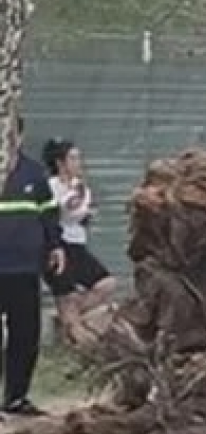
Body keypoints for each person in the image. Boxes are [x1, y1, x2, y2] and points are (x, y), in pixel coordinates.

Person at [0, 146, 63, 418]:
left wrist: (55, 245)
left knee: (25, 334)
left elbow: (48, 212)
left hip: (24, 268)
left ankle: (16, 397)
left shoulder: (33, 172)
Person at [39, 139, 114, 345]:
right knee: (66, 295)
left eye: (78, 158)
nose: (78, 162)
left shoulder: (81, 187)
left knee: (105, 283)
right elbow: (55, 212)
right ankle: (71, 330)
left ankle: (69, 319)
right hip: (57, 246)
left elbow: (80, 214)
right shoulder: (50, 187)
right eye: (73, 158)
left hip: (77, 244)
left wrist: (87, 213)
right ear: (60, 163)